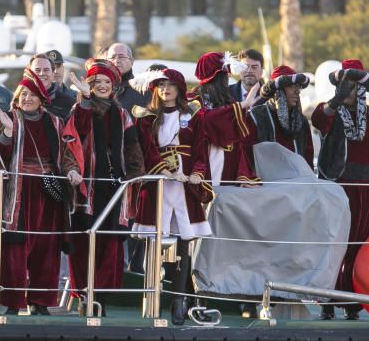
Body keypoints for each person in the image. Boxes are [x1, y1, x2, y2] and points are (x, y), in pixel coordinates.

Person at [312, 59, 369, 320]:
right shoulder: (329, 112)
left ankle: (353, 301)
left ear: (361, 89)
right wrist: (335, 101)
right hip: (336, 188)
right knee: (333, 245)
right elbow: (319, 120)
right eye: (343, 86)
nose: (347, 91)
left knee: (361, 246)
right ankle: (326, 300)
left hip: (366, 190)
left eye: (351, 87)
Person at [130, 68, 212, 325]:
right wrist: (165, 170)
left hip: (185, 187)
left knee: (184, 245)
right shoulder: (145, 117)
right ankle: (152, 299)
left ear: (179, 87)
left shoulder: (194, 116)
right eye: (161, 85)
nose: (166, 89)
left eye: (170, 84)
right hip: (158, 186)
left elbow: (201, 147)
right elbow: (146, 149)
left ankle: (179, 300)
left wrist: (198, 173)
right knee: (155, 244)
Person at [63, 60, 144, 314]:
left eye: (106, 82)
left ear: (113, 86)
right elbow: (75, 135)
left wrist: (135, 176)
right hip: (87, 189)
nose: (102, 86)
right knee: (84, 244)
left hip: (115, 188)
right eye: (96, 82)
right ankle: (85, 295)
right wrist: (85, 100)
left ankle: (102, 298)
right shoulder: (80, 109)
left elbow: (132, 148)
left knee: (111, 245)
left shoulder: (122, 114)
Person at [0, 69, 68, 315]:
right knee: (14, 250)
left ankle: (40, 303)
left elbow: (68, 156)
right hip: (17, 193)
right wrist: (8, 134)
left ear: (42, 98)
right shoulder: (7, 119)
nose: (26, 99)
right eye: (22, 94)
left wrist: (71, 173)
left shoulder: (55, 122)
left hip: (48, 192)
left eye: (32, 95)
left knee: (47, 247)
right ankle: (12, 302)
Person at [192, 51, 260, 186]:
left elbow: (238, 142)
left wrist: (244, 175)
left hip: (228, 167)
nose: (227, 79)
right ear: (216, 77)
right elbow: (205, 120)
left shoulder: (227, 100)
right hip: (202, 164)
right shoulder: (194, 100)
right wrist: (242, 105)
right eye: (225, 76)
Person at [250, 65, 315, 169]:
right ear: (278, 91)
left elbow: (307, 159)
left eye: (298, 87)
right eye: (291, 87)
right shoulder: (256, 116)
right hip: (267, 181)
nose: (297, 91)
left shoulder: (301, 121)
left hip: (297, 181)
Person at [105, 42, 148, 113]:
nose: (116, 61)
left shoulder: (143, 90)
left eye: (121, 57)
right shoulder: (98, 88)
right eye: (112, 57)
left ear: (131, 61)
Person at [33, 52, 74, 120]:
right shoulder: (26, 96)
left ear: (63, 68)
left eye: (58, 66)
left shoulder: (74, 97)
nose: (56, 71)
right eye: (52, 67)